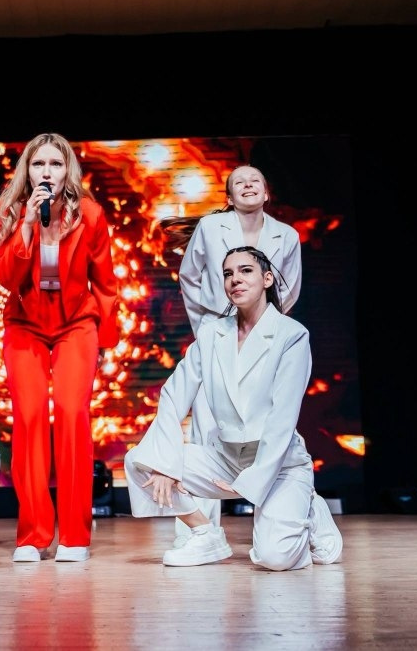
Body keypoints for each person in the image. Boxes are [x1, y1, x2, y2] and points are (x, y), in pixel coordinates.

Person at [124, 246, 341, 569]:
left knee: (274, 558)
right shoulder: (212, 334)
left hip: (279, 463)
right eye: (228, 273)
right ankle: (204, 533)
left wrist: (252, 481)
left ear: (267, 279)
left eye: (245, 270)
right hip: (225, 458)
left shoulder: (291, 335)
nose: (235, 279)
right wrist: (165, 463)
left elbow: (281, 420)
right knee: (141, 460)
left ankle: (310, 507)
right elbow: (173, 395)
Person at [162, 163, 338, 563]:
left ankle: (299, 503)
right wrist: (208, 323)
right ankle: (200, 534)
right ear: (228, 196)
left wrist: (263, 324)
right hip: (217, 332)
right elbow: (190, 276)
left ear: (266, 192)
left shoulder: (286, 235)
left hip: (262, 334)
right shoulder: (211, 228)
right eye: (238, 180)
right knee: (206, 431)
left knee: (264, 419)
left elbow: (289, 285)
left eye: (254, 179)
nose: (247, 184)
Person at [0, 132, 118, 563]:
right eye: (39, 164)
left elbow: (105, 281)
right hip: (25, 323)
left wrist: (107, 339)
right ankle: (34, 535)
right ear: (27, 171)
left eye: (56, 164)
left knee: (70, 413)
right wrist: (26, 224)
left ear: (68, 171)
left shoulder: (91, 214)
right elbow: (6, 278)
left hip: (76, 322)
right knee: (28, 419)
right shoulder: (11, 211)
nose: (47, 172)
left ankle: (75, 536)